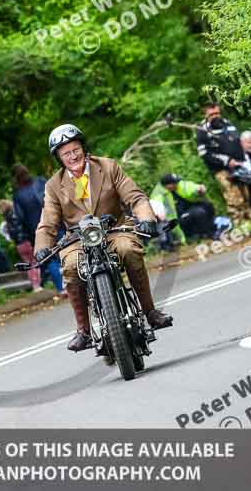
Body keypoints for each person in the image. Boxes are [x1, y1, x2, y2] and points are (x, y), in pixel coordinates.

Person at [34, 124, 173, 352]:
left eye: (75, 150)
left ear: (83, 148)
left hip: (115, 229)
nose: (72, 156)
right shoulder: (53, 185)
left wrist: (146, 217)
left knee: (129, 250)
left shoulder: (108, 167)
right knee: (70, 267)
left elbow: (135, 197)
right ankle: (84, 331)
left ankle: (150, 312)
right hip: (78, 239)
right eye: (66, 153)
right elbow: (47, 222)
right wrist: (42, 247)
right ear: (59, 158)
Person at [195, 102, 251, 224]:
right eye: (211, 114)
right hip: (220, 169)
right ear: (205, 115)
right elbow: (204, 154)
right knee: (234, 197)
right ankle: (239, 224)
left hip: (239, 165)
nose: (215, 116)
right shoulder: (202, 129)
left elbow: (238, 142)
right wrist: (227, 161)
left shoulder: (227, 124)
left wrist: (243, 161)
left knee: (245, 195)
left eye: (217, 113)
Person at [12, 164, 64, 293]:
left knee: (49, 258)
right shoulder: (40, 181)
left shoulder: (18, 195)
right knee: (66, 250)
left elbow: (19, 217)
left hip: (37, 230)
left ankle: (62, 288)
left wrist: (24, 237)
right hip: (55, 221)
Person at [150, 174, 215, 244]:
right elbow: (156, 209)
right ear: (167, 185)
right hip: (177, 219)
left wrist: (198, 188)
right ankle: (205, 234)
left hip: (187, 210)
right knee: (198, 212)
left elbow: (189, 186)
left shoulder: (178, 185)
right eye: (174, 183)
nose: (177, 184)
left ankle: (211, 228)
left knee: (208, 205)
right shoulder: (158, 194)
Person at [0, 199, 42, 293]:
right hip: (27, 241)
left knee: (28, 265)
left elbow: (7, 234)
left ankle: (34, 284)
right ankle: (38, 284)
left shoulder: (6, 221)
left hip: (19, 245)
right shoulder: (17, 216)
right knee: (35, 262)